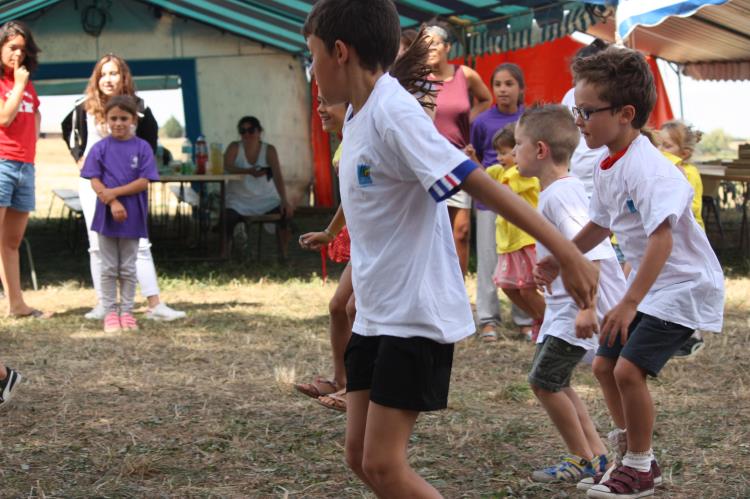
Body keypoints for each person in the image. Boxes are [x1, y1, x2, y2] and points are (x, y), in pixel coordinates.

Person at [303, 1, 598, 496]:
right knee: (359, 457)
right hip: (377, 313)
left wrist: (567, 253)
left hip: (413, 315)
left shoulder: (393, 113)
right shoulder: (359, 114)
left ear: (339, 52)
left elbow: (477, 182)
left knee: (382, 465)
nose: (311, 72)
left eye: (311, 56)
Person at [536, 46, 724, 498]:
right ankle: (633, 456)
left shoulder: (651, 169)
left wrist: (628, 302)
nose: (577, 119)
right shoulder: (604, 165)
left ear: (625, 113)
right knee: (603, 366)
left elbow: (662, 239)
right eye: (574, 109)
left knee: (626, 372)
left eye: (586, 111)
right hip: (654, 286)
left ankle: (639, 465)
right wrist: (562, 255)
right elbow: (601, 224)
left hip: (682, 287)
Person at [514, 104, 626, 484]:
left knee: (544, 380)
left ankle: (584, 457)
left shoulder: (561, 195)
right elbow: (571, 251)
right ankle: (595, 457)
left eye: (518, 145)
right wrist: (550, 268)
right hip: (565, 306)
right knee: (554, 380)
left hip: (579, 307)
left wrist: (587, 309)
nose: (514, 153)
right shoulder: (560, 192)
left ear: (541, 150)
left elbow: (590, 255)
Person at [61, 53, 185, 322]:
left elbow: (149, 143)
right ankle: (104, 305)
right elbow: (67, 130)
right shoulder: (83, 106)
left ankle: (154, 303)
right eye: (103, 73)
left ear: (124, 77)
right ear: (96, 78)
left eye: (114, 73)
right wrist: (77, 156)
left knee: (138, 244)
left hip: (129, 187)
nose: (108, 79)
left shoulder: (140, 107)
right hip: (95, 186)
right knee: (97, 246)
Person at [80, 96, 159, 332]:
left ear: (133, 119)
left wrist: (113, 192)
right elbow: (93, 178)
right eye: (113, 118)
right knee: (108, 267)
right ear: (105, 120)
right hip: (106, 218)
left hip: (132, 217)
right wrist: (112, 200)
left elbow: (144, 181)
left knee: (127, 267)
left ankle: (126, 311)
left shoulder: (142, 147)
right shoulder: (100, 148)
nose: (118, 123)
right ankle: (110, 312)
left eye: (124, 118)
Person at [294, 93, 352, 412]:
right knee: (338, 308)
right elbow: (352, 197)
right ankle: (342, 380)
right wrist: (331, 231)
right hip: (365, 241)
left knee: (352, 309)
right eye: (317, 101)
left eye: (329, 101)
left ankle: (358, 388)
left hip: (381, 243)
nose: (320, 109)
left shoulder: (366, 136)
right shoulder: (347, 140)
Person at [470, 63, 531, 340]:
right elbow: (477, 160)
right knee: (488, 259)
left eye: (509, 84)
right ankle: (487, 319)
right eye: (498, 84)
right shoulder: (482, 122)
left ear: (520, 88)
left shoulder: (530, 120)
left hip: (524, 204)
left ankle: (525, 317)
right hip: (488, 203)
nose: (503, 90)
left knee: (524, 261)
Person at [425, 21, 492, 275]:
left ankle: (459, 298)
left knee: (461, 231)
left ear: (447, 47)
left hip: (458, 159)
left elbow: (486, 99)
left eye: (435, 43)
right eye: (425, 44)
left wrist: (468, 121)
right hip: (428, 162)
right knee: (431, 231)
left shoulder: (465, 74)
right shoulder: (418, 79)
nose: (430, 48)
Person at [0, 20, 44, 318]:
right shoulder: (13, 83)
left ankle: (17, 304)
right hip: (2, 162)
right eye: (12, 47)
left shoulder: (27, 84)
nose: (19, 54)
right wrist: (16, 84)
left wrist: (32, 146)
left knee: (12, 240)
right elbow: (4, 117)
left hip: (25, 166)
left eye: (23, 50)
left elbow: (36, 111)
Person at [485, 124, 544, 341]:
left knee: (528, 289)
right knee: (507, 286)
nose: (500, 158)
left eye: (506, 152)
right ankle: (538, 317)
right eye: (498, 153)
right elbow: (481, 176)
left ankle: (551, 322)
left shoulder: (524, 174)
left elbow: (502, 187)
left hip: (526, 240)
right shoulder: (502, 172)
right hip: (508, 243)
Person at [659, 120, 707, 360]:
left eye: (666, 146)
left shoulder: (688, 174)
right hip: (672, 240)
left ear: (684, 153)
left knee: (684, 289)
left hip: (687, 242)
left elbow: (691, 205)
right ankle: (675, 334)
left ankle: (694, 336)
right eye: (658, 146)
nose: (660, 152)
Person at [223, 116, 294, 260]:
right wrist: (248, 171)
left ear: (259, 131)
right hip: (238, 200)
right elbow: (227, 166)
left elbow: (278, 176)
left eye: (251, 130)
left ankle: (283, 255)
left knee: (286, 216)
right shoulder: (234, 147)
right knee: (227, 219)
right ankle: (224, 255)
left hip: (265, 199)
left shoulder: (269, 150)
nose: (247, 135)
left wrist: (284, 200)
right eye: (243, 131)